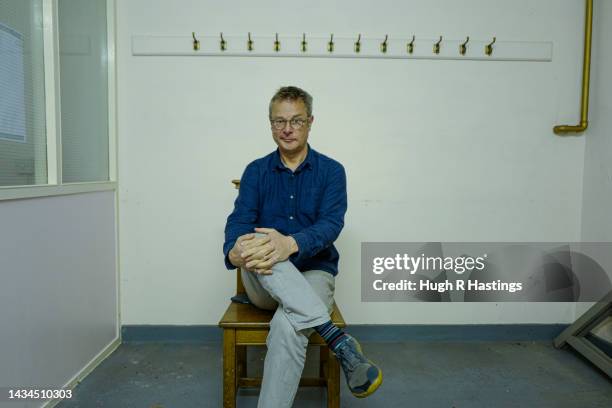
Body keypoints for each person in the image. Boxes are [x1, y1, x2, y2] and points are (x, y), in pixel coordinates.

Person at [223, 86, 382, 407]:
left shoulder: (332, 171)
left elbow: (331, 225)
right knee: (257, 240)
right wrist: (234, 250)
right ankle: (337, 340)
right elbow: (238, 223)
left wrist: (290, 244)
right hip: (262, 281)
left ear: (310, 122)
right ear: (270, 125)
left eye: (296, 121)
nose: (287, 129)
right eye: (278, 121)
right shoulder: (256, 171)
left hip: (314, 275)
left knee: (287, 326)